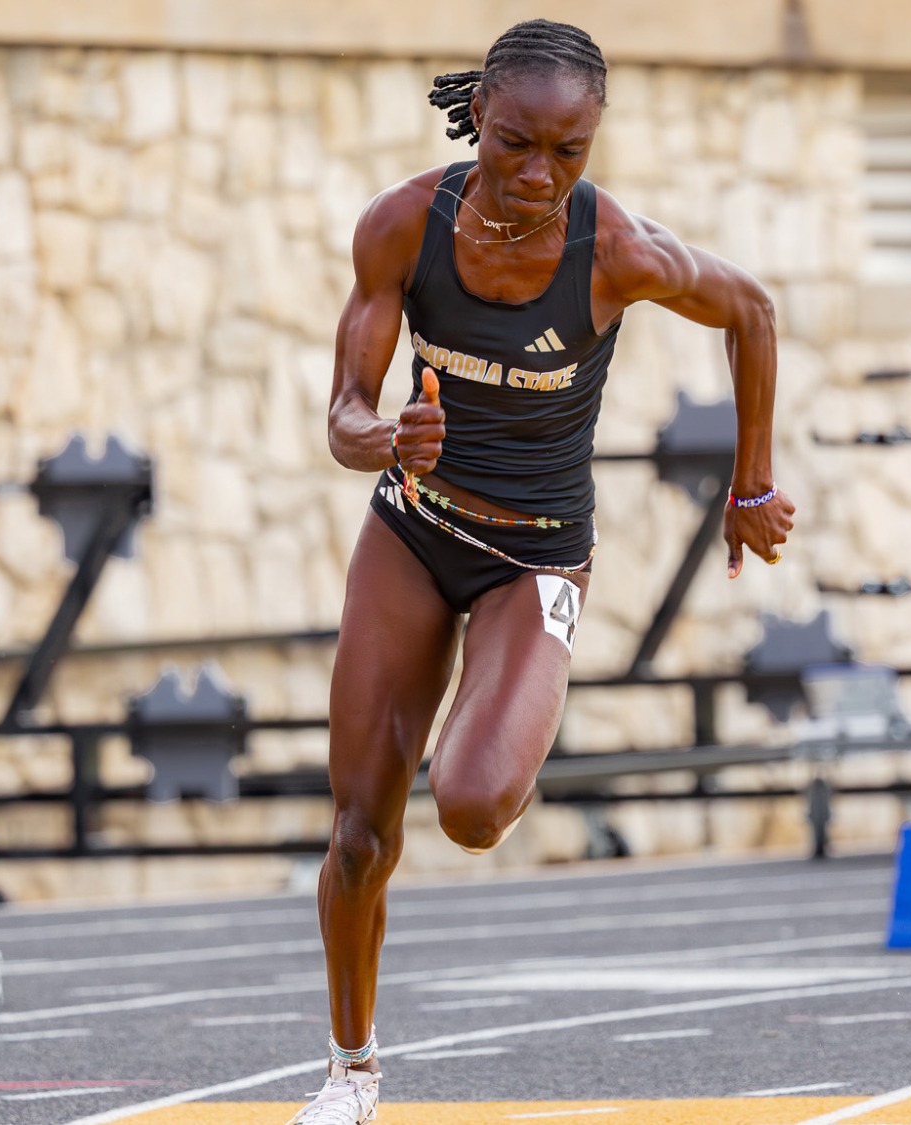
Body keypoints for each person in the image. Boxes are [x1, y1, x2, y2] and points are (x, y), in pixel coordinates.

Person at [301, 18, 793, 1124]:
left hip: (533, 554)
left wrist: (749, 484)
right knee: (358, 833)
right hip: (414, 532)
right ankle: (349, 1072)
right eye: (514, 144)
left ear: (593, 139)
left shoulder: (618, 251)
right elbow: (341, 412)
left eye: (566, 155)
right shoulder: (400, 226)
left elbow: (752, 310)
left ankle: (504, 685)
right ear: (477, 113)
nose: (535, 176)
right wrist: (373, 437)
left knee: (471, 808)